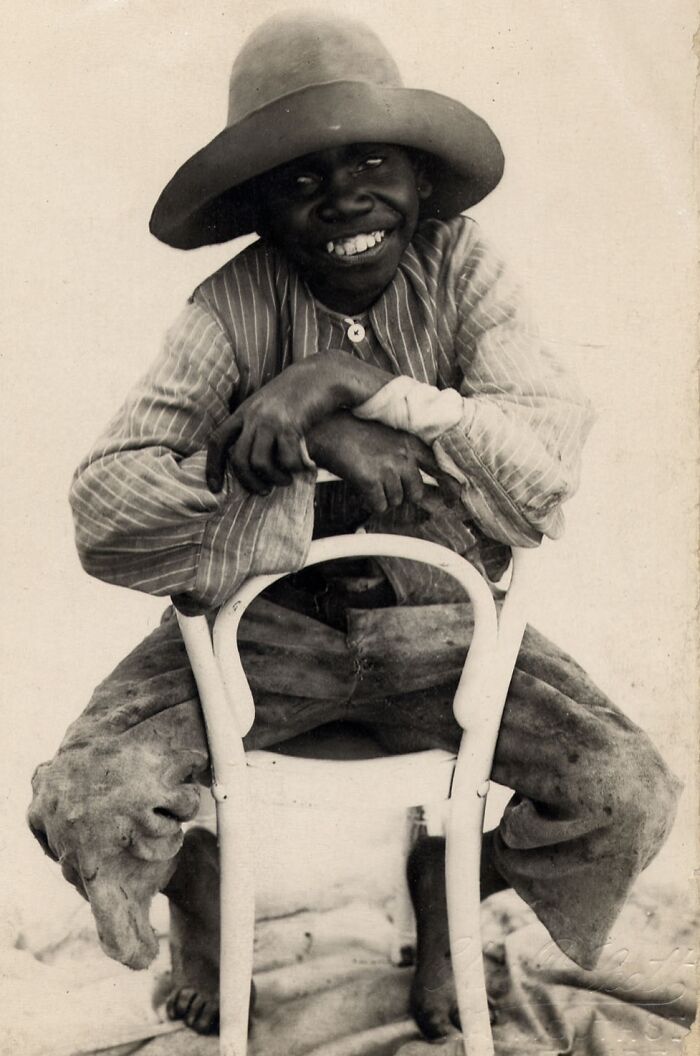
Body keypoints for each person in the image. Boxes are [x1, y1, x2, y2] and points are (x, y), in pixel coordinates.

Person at [29, 11, 681, 1042]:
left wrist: (362, 388)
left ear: (422, 181)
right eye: (299, 180)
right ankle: (193, 886)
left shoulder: (465, 272)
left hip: (442, 636)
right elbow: (103, 506)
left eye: (371, 160)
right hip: (263, 637)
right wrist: (307, 445)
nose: (343, 199)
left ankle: (450, 880)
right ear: (261, 210)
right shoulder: (226, 309)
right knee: (91, 795)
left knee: (624, 792)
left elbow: (542, 476)